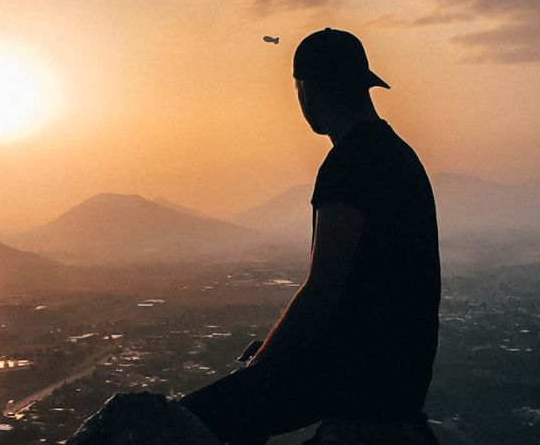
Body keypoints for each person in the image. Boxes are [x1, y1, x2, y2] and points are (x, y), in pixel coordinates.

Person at [178, 28, 442, 444]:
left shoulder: (349, 164)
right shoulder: (398, 154)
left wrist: (263, 365)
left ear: (310, 90)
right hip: (399, 378)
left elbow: (322, 289)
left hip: (354, 376)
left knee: (180, 423)